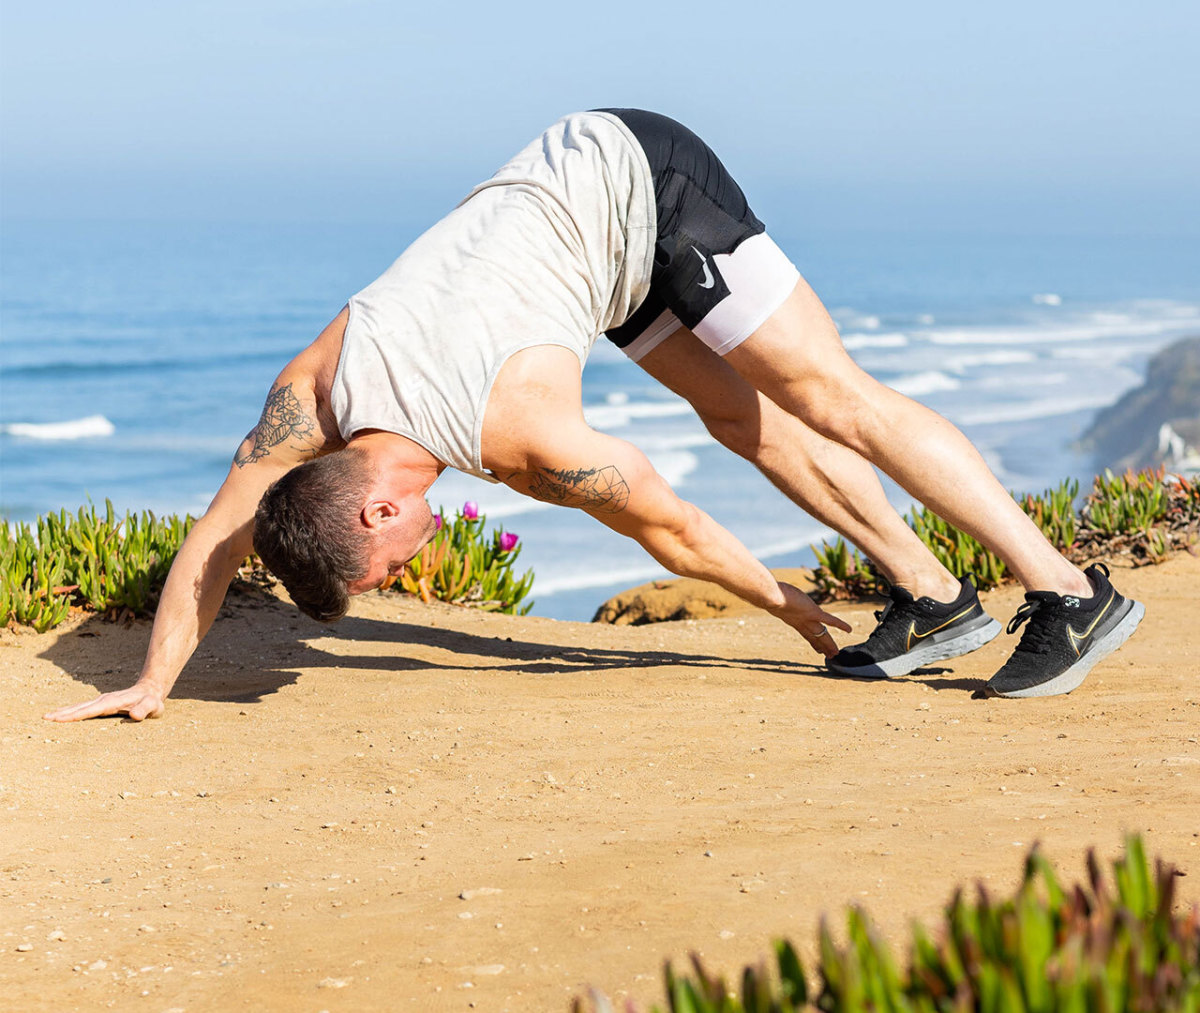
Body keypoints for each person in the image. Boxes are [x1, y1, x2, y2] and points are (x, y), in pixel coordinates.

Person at [45, 109, 1142, 723]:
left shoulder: (515, 432)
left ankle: (1065, 589)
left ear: (377, 507)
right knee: (743, 424)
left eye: (385, 571)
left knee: (825, 396)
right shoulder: (314, 393)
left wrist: (789, 611)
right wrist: (153, 682)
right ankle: (936, 593)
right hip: (592, 258)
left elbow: (668, 526)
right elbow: (221, 525)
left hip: (639, 179)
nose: (409, 575)